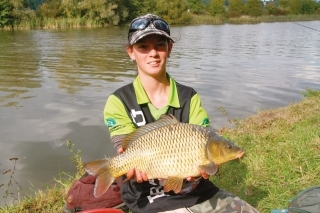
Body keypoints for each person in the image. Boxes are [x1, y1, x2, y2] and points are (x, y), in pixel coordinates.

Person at [103, 14, 259, 213]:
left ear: (169, 49)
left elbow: (208, 159)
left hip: (194, 190)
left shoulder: (189, 96)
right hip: (146, 195)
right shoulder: (118, 101)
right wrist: (128, 168)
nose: (153, 53)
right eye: (143, 47)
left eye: (160, 45)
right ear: (131, 52)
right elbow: (125, 148)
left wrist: (207, 169)